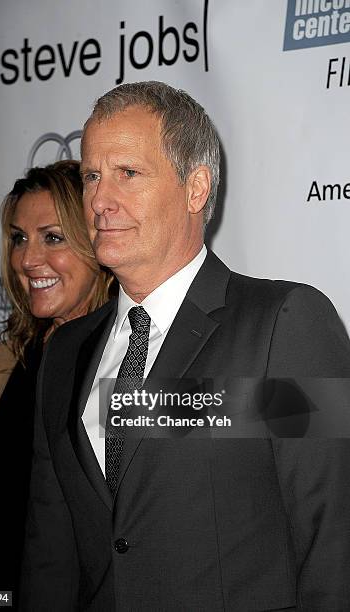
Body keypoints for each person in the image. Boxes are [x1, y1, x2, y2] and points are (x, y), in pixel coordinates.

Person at [22, 82, 350, 611]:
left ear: (196, 188)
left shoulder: (281, 326)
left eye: (128, 174)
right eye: (92, 176)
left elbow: (333, 534)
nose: (100, 201)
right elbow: (50, 555)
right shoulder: (65, 353)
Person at [0, 160, 114, 607]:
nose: (26, 259)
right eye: (19, 238)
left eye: (53, 237)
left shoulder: (128, 367)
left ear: (98, 244)